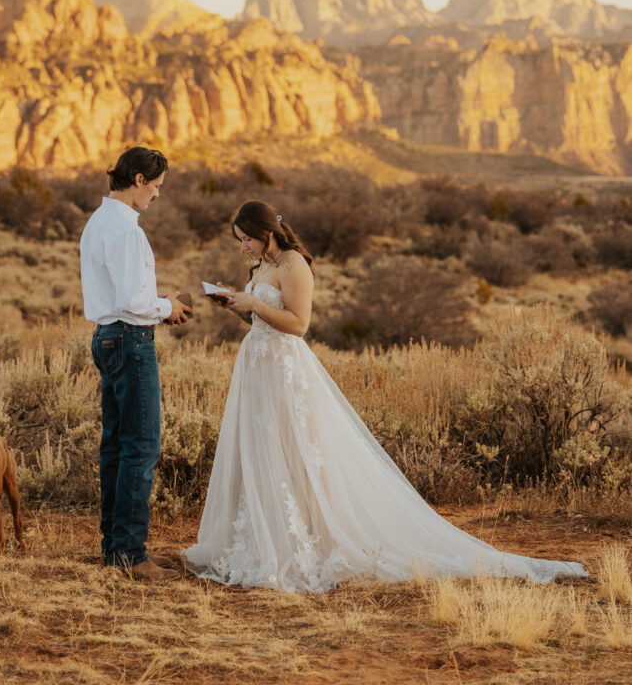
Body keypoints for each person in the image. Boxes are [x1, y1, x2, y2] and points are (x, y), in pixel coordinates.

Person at [182, 199, 587, 593]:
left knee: (293, 451)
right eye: (240, 240)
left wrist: (255, 302)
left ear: (267, 232)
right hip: (257, 367)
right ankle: (260, 537)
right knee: (262, 449)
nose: (243, 247)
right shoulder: (262, 265)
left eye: (247, 239)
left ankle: (301, 541)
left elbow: (298, 324)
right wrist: (236, 305)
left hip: (284, 370)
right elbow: (259, 318)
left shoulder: (294, 265)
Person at [80, 146, 192, 582]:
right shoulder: (126, 230)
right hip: (129, 340)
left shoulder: (98, 221)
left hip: (108, 338)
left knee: (116, 446)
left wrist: (159, 303)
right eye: (157, 186)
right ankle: (129, 554)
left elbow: (121, 291)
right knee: (141, 446)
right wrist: (168, 305)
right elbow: (132, 301)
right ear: (140, 180)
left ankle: (117, 547)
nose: (157, 196)